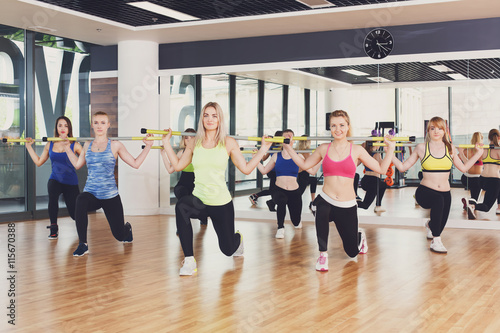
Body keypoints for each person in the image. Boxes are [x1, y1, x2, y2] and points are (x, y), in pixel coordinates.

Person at [162, 102, 272, 276]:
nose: (210, 119)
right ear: (202, 119)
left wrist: (264, 149)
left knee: (228, 249)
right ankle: (189, 260)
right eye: (206, 115)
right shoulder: (194, 142)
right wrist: (166, 143)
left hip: (221, 203)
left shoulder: (228, 142)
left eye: (214, 115)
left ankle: (238, 239)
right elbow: (177, 165)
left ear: (220, 119)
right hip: (199, 200)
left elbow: (246, 169)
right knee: (181, 206)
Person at [282, 110, 395, 271]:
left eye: (342, 125)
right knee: (320, 208)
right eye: (333, 125)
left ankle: (359, 238)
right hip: (327, 198)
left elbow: (382, 169)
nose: (338, 129)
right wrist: (289, 147)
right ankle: (322, 255)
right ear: (330, 128)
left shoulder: (357, 150)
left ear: (348, 126)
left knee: (351, 252)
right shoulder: (323, 148)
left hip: (347, 205)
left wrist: (390, 149)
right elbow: (308, 167)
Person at [64, 111, 154, 256]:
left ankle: (127, 229)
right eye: (96, 122)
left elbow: (135, 163)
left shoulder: (115, 145)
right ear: (92, 125)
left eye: (103, 122)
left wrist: (148, 146)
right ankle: (83, 244)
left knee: (119, 235)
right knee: (80, 199)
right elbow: (77, 164)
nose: (99, 126)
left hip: (110, 196)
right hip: (91, 193)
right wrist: (67, 149)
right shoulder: (87, 145)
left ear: (108, 125)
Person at [391, 116, 483, 253]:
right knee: (438, 204)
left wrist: (478, 153)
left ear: (444, 131)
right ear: (428, 131)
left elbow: (464, 168)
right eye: (432, 128)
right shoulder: (421, 148)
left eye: (440, 128)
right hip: (425, 192)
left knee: (440, 222)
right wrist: (389, 152)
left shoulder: (450, 148)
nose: (436, 131)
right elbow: (403, 167)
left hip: (445, 193)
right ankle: (436, 241)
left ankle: (430, 226)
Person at [25, 116, 83, 239]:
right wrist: (29, 147)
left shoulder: (76, 145)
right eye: (60, 125)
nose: (63, 128)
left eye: (66, 126)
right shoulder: (50, 144)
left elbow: (81, 163)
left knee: (74, 214)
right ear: (56, 128)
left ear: (69, 129)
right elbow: (39, 162)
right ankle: (53, 228)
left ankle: (81, 232)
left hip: (71, 183)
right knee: (52, 198)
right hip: (55, 179)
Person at [257, 130, 318, 239]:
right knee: (281, 201)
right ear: (281, 140)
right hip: (279, 189)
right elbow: (264, 170)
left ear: (293, 141)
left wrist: (321, 158)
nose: (288, 138)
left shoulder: (299, 156)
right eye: (286, 136)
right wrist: (256, 159)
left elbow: (312, 171)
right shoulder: (276, 155)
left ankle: (297, 222)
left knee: (296, 221)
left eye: (290, 136)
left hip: (294, 192)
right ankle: (280, 228)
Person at [161, 128, 207, 226]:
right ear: (183, 141)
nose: (189, 140)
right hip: (183, 185)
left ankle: (202, 217)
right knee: (181, 200)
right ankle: (183, 225)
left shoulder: (200, 152)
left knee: (196, 206)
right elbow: (170, 169)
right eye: (186, 138)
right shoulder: (181, 153)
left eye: (192, 137)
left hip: (196, 186)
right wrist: (163, 153)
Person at [465, 129, 500, 219]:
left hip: (482, 180)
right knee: (486, 207)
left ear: (488, 138)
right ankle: (472, 206)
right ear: (498, 138)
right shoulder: (498, 150)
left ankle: (499, 207)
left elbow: (478, 160)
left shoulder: (484, 150)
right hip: (494, 181)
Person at [249, 130, 283, 212]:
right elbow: (264, 158)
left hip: (274, 171)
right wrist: (256, 154)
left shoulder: (272, 146)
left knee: (275, 189)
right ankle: (268, 201)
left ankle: (258, 197)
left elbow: (264, 158)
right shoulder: (280, 147)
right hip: (274, 172)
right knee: (275, 190)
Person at [357, 141, 388, 213]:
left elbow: (356, 164)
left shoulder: (365, 154)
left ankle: (378, 206)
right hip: (373, 181)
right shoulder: (377, 154)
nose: (380, 144)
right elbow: (383, 169)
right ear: (375, 144)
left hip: (365, 180)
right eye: (379, 142)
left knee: (383, 184)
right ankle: (348, 204)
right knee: (365, 205)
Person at [458, 132, 484, 211]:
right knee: (475, 199)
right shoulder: (483, 151)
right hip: (477, 179)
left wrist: (461, 153)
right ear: (481, 139)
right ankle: (469, 202)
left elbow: (456, 159)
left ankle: (469, 202)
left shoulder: (466, 151)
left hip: (465, 179)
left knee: (474, 194)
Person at [296, 135, 320, 212]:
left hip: (303, 175)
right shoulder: (303, 152)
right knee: (297, 195)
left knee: (313, 180)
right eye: (309, 141)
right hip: (302, 175)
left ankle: (313, 201)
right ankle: (272, 202)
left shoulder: (303, 151)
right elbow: (310, 165)